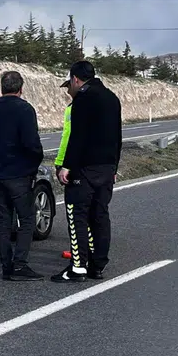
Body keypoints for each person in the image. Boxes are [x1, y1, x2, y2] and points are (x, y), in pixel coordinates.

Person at [51, 60, 121, 283]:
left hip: (85, 168)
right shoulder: (112, 98)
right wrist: (114, 167)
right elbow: (117, 137)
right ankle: (97, 265)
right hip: (107, 168)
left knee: (77, 215)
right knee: (100, 215)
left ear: (75, 79)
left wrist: (67, 166)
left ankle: (78, 267)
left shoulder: (83, 98)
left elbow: (77, 136)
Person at [0, 71, 45, 281]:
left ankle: (6, 265)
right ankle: (20, 264)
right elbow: (31, 143)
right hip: (19, 174)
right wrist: (34, 164)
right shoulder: (25, 110)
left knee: (3, 220)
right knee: (26, 218)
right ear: (20, 88)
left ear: (2, 88)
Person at [54, 71, 96, 263]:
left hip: (71, 163)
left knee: (76, 212)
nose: (68, 92)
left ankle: (80, 254)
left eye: (69, 87)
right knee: (86, 212)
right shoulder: (82, 106)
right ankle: (88, 251)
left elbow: (69, 138)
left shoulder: (74, 109)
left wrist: (62, 163)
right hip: (86, 164)